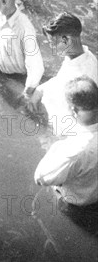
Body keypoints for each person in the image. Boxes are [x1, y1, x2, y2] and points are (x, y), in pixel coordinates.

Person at [34, 75, 98, 208]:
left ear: (73, 110)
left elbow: (41, 178)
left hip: (79, 203)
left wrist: (55, 148)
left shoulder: (72, 149)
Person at [29, 12, 98, 135]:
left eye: (52, 43)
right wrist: (40, 90)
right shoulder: (78, 55)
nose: (52, 48)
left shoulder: (84, 76)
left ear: (66, 40)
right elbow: (60, 79)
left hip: (58, 129)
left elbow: (82, 120)